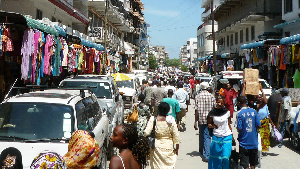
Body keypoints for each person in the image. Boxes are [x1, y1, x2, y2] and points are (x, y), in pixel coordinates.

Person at [144, 102, 180, 169]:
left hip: (156, 147)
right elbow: (176, 135)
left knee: (157, 166)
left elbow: (146, 132)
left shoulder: (153, 119)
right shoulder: (171, 120)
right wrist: (177, 148)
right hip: (168, 147)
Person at [208, 96, 233, 169]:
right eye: (218, 102)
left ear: (224, 104)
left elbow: (228, 124)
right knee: (216, 158)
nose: (219, 104)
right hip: (216, 137)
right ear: (216, 102)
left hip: (227, 136)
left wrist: (232, 136)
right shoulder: (212, 113)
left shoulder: (227, 112)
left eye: (221, 103)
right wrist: (213, 126)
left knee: (225, 157)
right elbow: (209, 124)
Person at [236, 96, 261, 169]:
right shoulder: (254, 111)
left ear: (239, 103)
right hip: (253, 142)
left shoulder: (239, 113)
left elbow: (239, 128)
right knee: (253, 163)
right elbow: (259, 125)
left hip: (244, 142)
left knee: (245, 164)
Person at [194, 82, 216, 162]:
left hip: (201, 119)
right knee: (207, 135)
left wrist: (195, 121)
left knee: (203, 135)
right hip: (210, 119)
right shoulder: (212, 96)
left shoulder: (198, 96)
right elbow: (215, 108)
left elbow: (196, 110)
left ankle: (205, 154)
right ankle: (204, 152)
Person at [256, 85, 275, 153]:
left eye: (261, 97)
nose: (260, 98)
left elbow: (268, 115)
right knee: (259, 137)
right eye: (258, 97)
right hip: (259, 124)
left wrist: (272, 123)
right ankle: (259, 149)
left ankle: (264, 150)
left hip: (265, 123)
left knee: (265, 137)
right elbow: (265, 101)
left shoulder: (265, 106)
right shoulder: (256, 106)